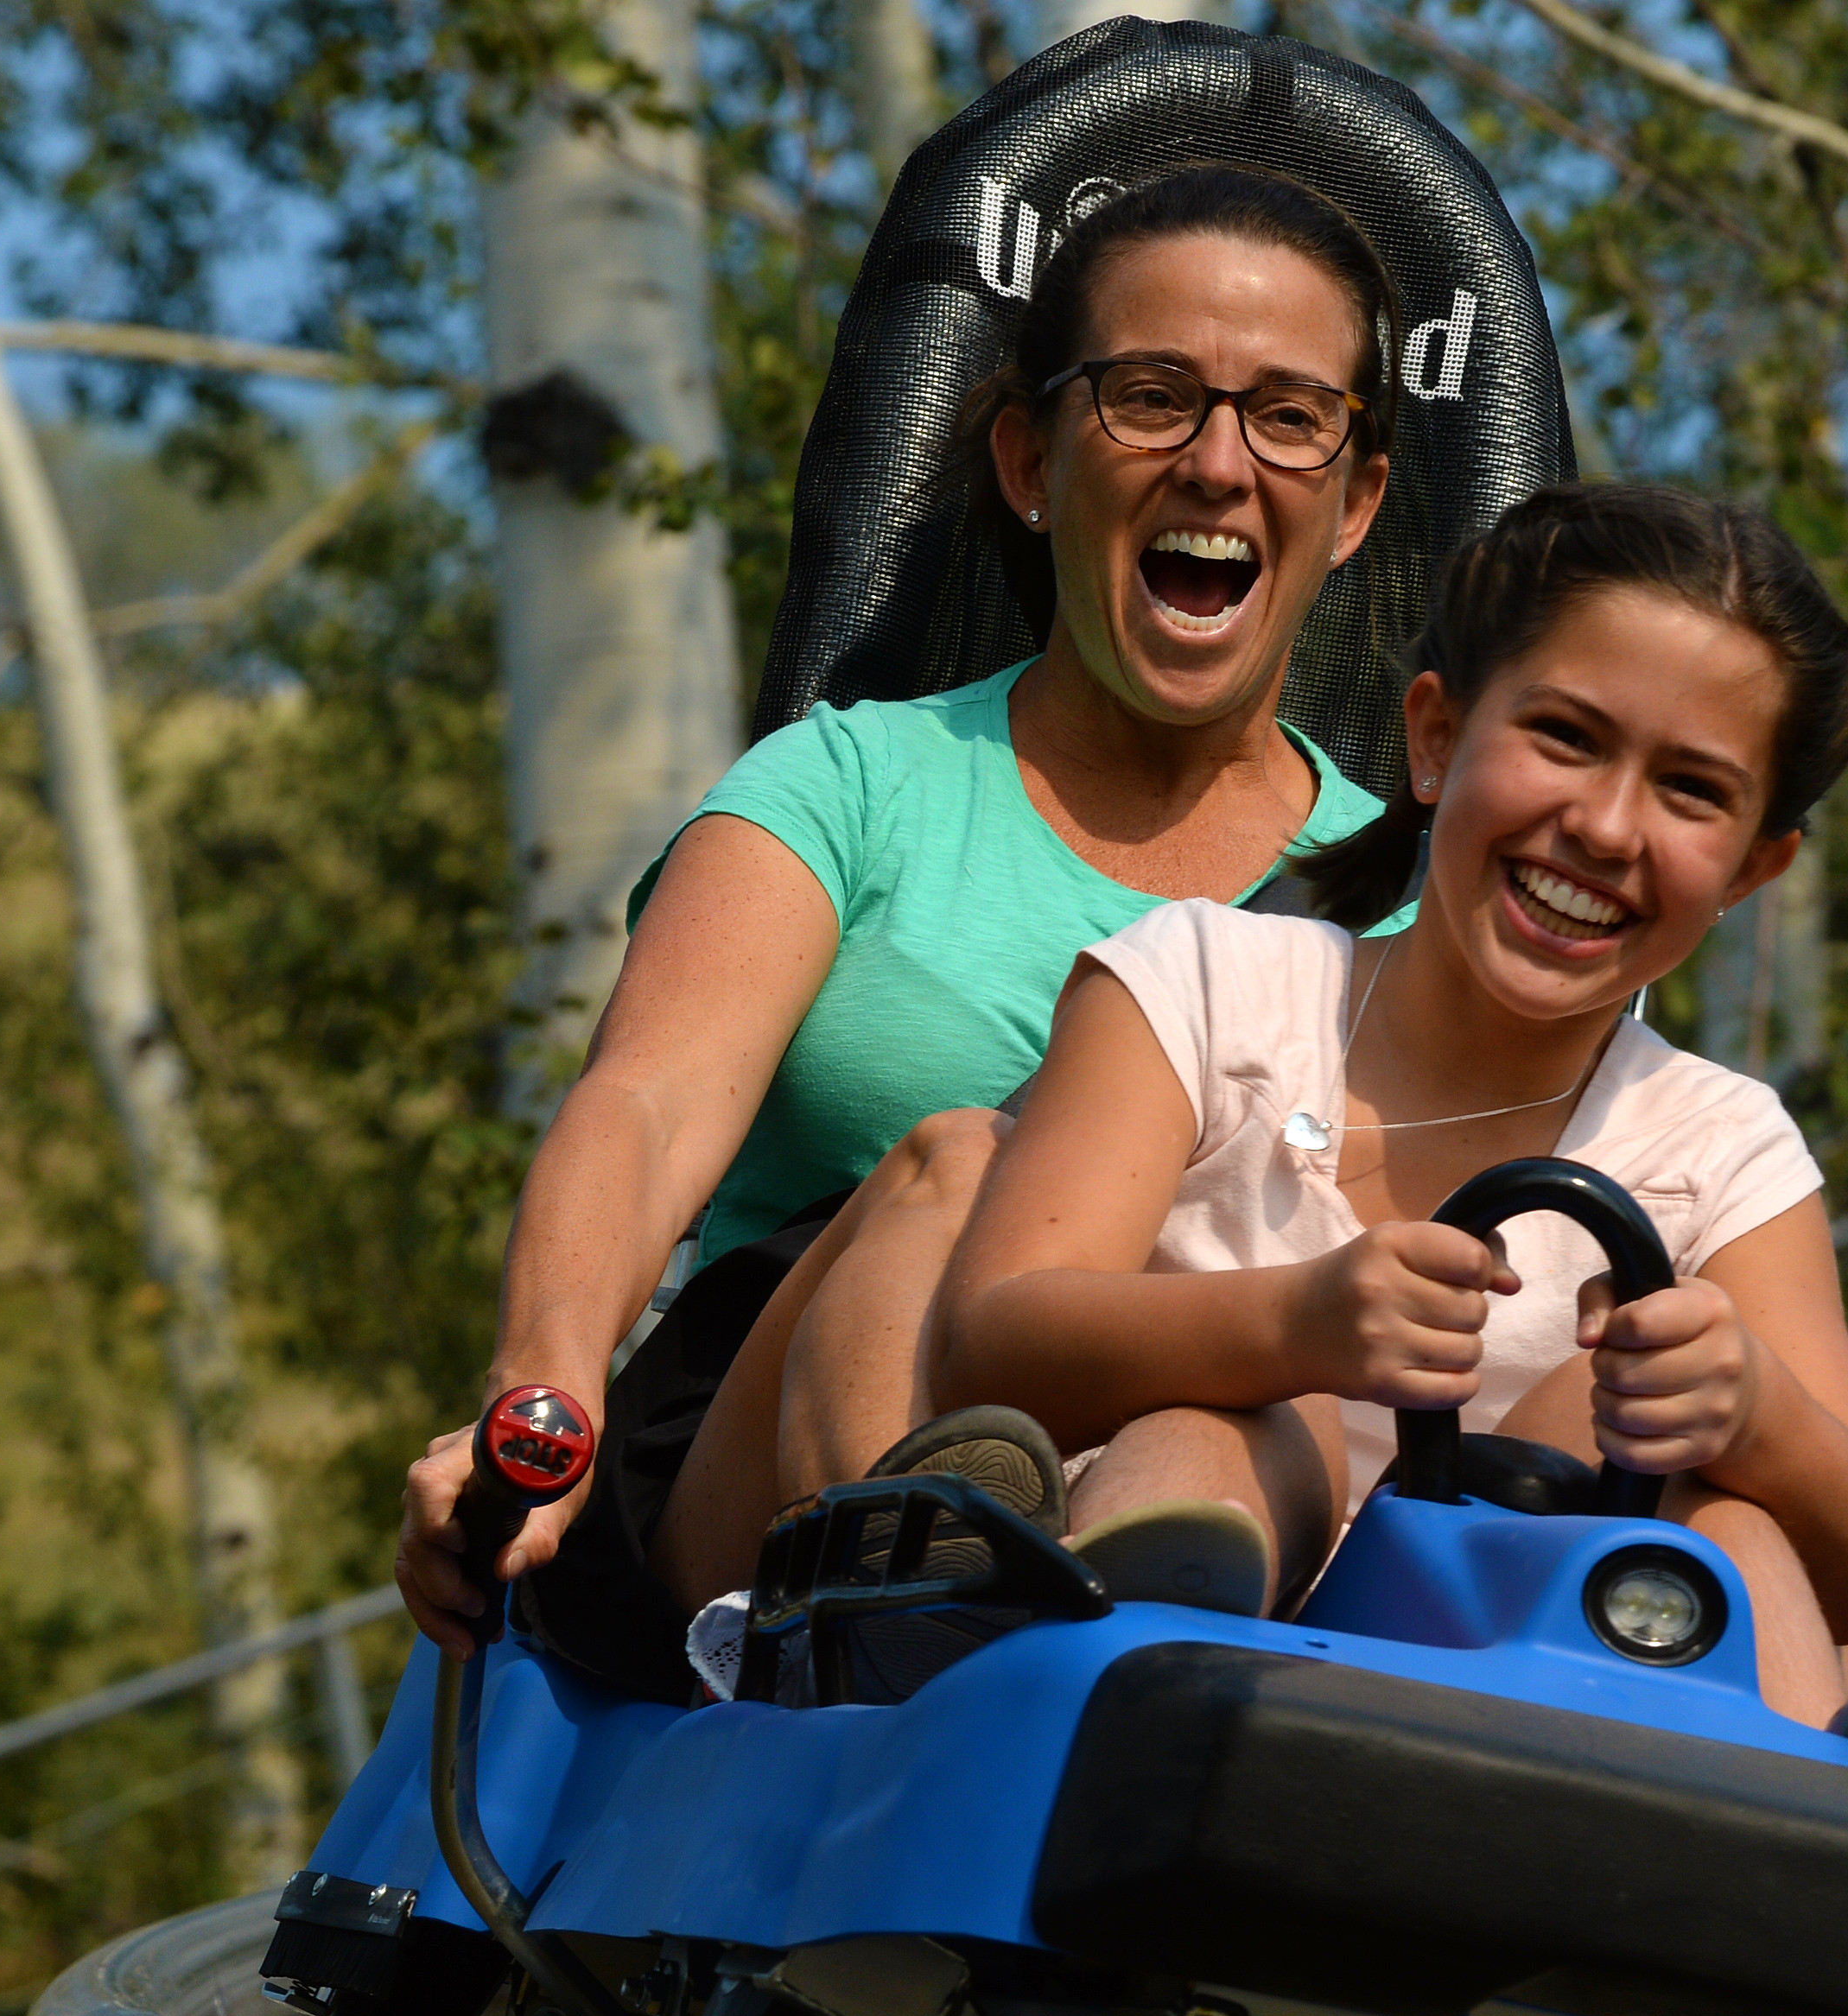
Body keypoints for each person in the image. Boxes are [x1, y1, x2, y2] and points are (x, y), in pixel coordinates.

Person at [391, 165, 1411, 1690]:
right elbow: (652, 1102)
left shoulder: (1403, 892)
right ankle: (890, 1654)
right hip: (778, 1451)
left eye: (1288, 416)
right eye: (1150, 397)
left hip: (1226, 1488)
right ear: (1027, 458)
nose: (1217, 462)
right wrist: (538, 1397)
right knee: (962, 1166)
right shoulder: (851, 782)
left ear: (1355, 501)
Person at [928, 485, 1848, 1723]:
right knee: (1221, 1437)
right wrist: (1296, 1325)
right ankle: (1096, 1764)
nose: (1606, 827)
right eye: (1564, 736)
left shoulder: (1723, 1150)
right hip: (1182, 1655)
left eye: (1692, 792)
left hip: (1524, 1717)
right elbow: (991, 1339)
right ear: (1437, 738)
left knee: (1725, 1521)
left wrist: (1755, 1407)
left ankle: (1791, 1849)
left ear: (1757, 865)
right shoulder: (1199, 987)